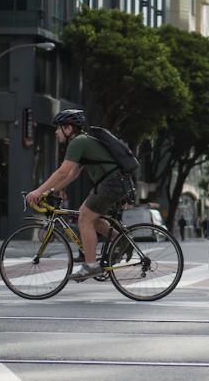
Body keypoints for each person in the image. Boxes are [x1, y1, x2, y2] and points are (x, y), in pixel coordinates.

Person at [25, 109, 134, 282]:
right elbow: (72, 174)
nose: (55, 132)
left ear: (68, 128)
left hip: (111, 184)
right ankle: (120, 240)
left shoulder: (78, 142)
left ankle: (90, 266)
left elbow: (62, 172)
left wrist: (37, 191)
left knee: (84, 218)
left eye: (58, 128)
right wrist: (49, 192)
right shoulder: (84, 142)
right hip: (116, 183)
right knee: (92, 218)